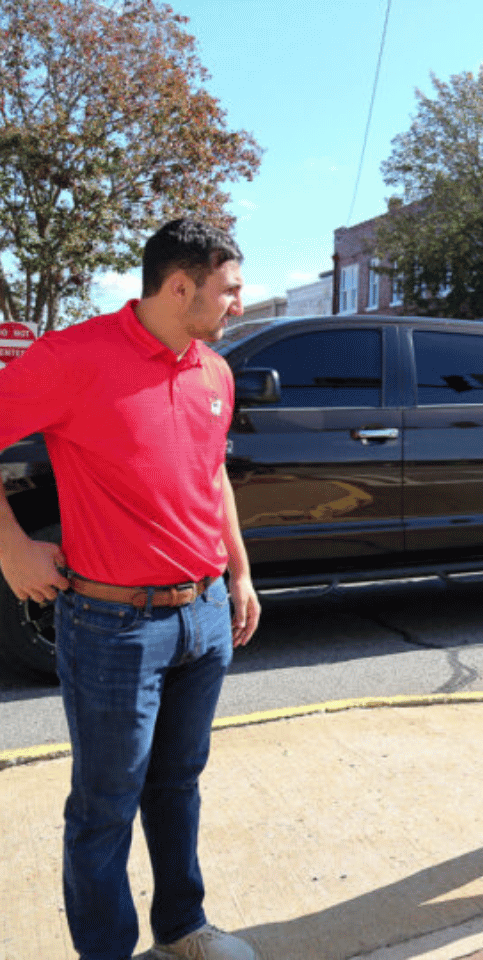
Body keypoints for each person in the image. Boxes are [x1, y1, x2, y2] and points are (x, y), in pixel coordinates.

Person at [0, 219, 261, 960]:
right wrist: (12, 547)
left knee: (178, 785)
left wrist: (238, 573)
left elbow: (212, 479)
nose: (239, 304)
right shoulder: (72, 356)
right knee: (105, 809)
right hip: (112, 627)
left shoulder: (213, 370)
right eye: (229, 289)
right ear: (180, 287)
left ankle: (183, 928)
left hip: (204, 615)